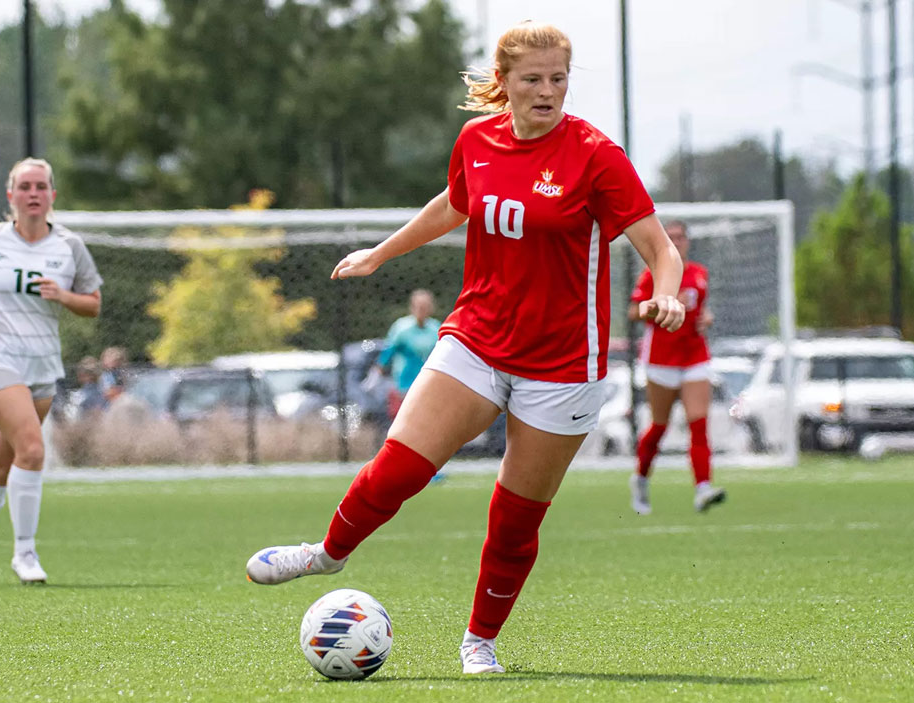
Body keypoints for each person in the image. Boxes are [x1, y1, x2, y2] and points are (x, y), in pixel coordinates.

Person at [245, 21, 686, 675]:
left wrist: (669, 294)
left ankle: (479, 641)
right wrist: (380, 252)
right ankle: (328, 553)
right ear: (502, 82)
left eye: (558, 79)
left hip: (564, 363)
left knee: (513, 519)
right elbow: (453, 205)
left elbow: (660, 249)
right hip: (477, 337)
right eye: (532, 79)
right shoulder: (477, 140)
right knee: (398, 467)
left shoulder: (595, 154)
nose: (547, 91)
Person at [0, 158, 103, 586]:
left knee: (1, 466)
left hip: (41, 366)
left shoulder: (69, 247)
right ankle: (25, 553)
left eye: (41, 187)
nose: (33, 193)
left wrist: (64, 296)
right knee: (32, 449)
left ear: (52, 196)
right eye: (25, 186)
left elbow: (93, 303)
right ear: (10, 195)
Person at [628, 220, 726, 515]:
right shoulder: (653, 275)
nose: (677, 242)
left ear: (688, 241)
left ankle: (703, 489)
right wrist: (662, 306)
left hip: (694, 356)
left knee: (698, 424)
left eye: (681, 237)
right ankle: (641, 479)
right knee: (659, 427)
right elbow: (634, 311)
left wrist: (706, 318)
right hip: (661, 359)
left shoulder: (699, 274)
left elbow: (701, 310)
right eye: (670, 237)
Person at [376, 289, 441, 418]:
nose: (422, 309)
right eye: (419, 306)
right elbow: (388, 352)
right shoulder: (401, 327)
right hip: (404, 383)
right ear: (412, 307)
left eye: (425, 306)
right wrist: (380, 369)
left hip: (429, 384)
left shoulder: (436, 328)